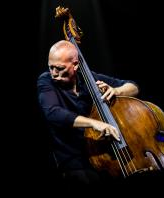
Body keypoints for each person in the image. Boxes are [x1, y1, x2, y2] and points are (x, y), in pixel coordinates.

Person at [37, 40, 139, 186]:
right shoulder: (46, 81)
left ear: (76, 65)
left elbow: (133, 86)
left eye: (59, 68)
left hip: (102, 155)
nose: (54, 73)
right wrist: (94, 123)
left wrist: (116, 91)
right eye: (50, 67)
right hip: (74, 162)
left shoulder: (89, 79)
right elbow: (53, 113)